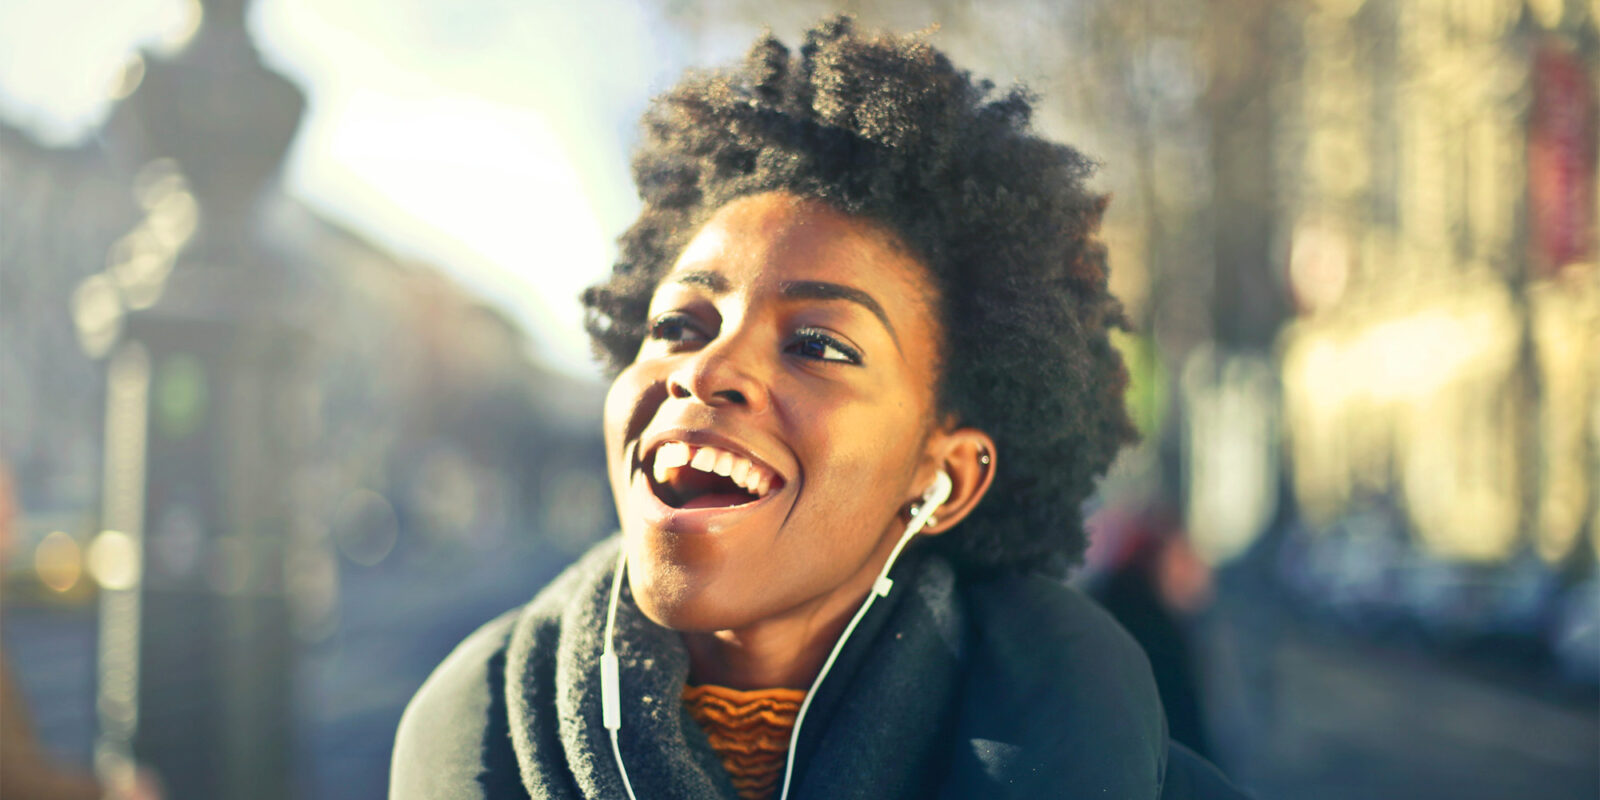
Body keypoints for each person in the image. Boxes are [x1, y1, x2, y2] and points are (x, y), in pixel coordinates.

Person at [391, 17, 1245, 799]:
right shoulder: (459, 753)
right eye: (679, 324)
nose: (708, 369)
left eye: (819, 345)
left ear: (944, 477)